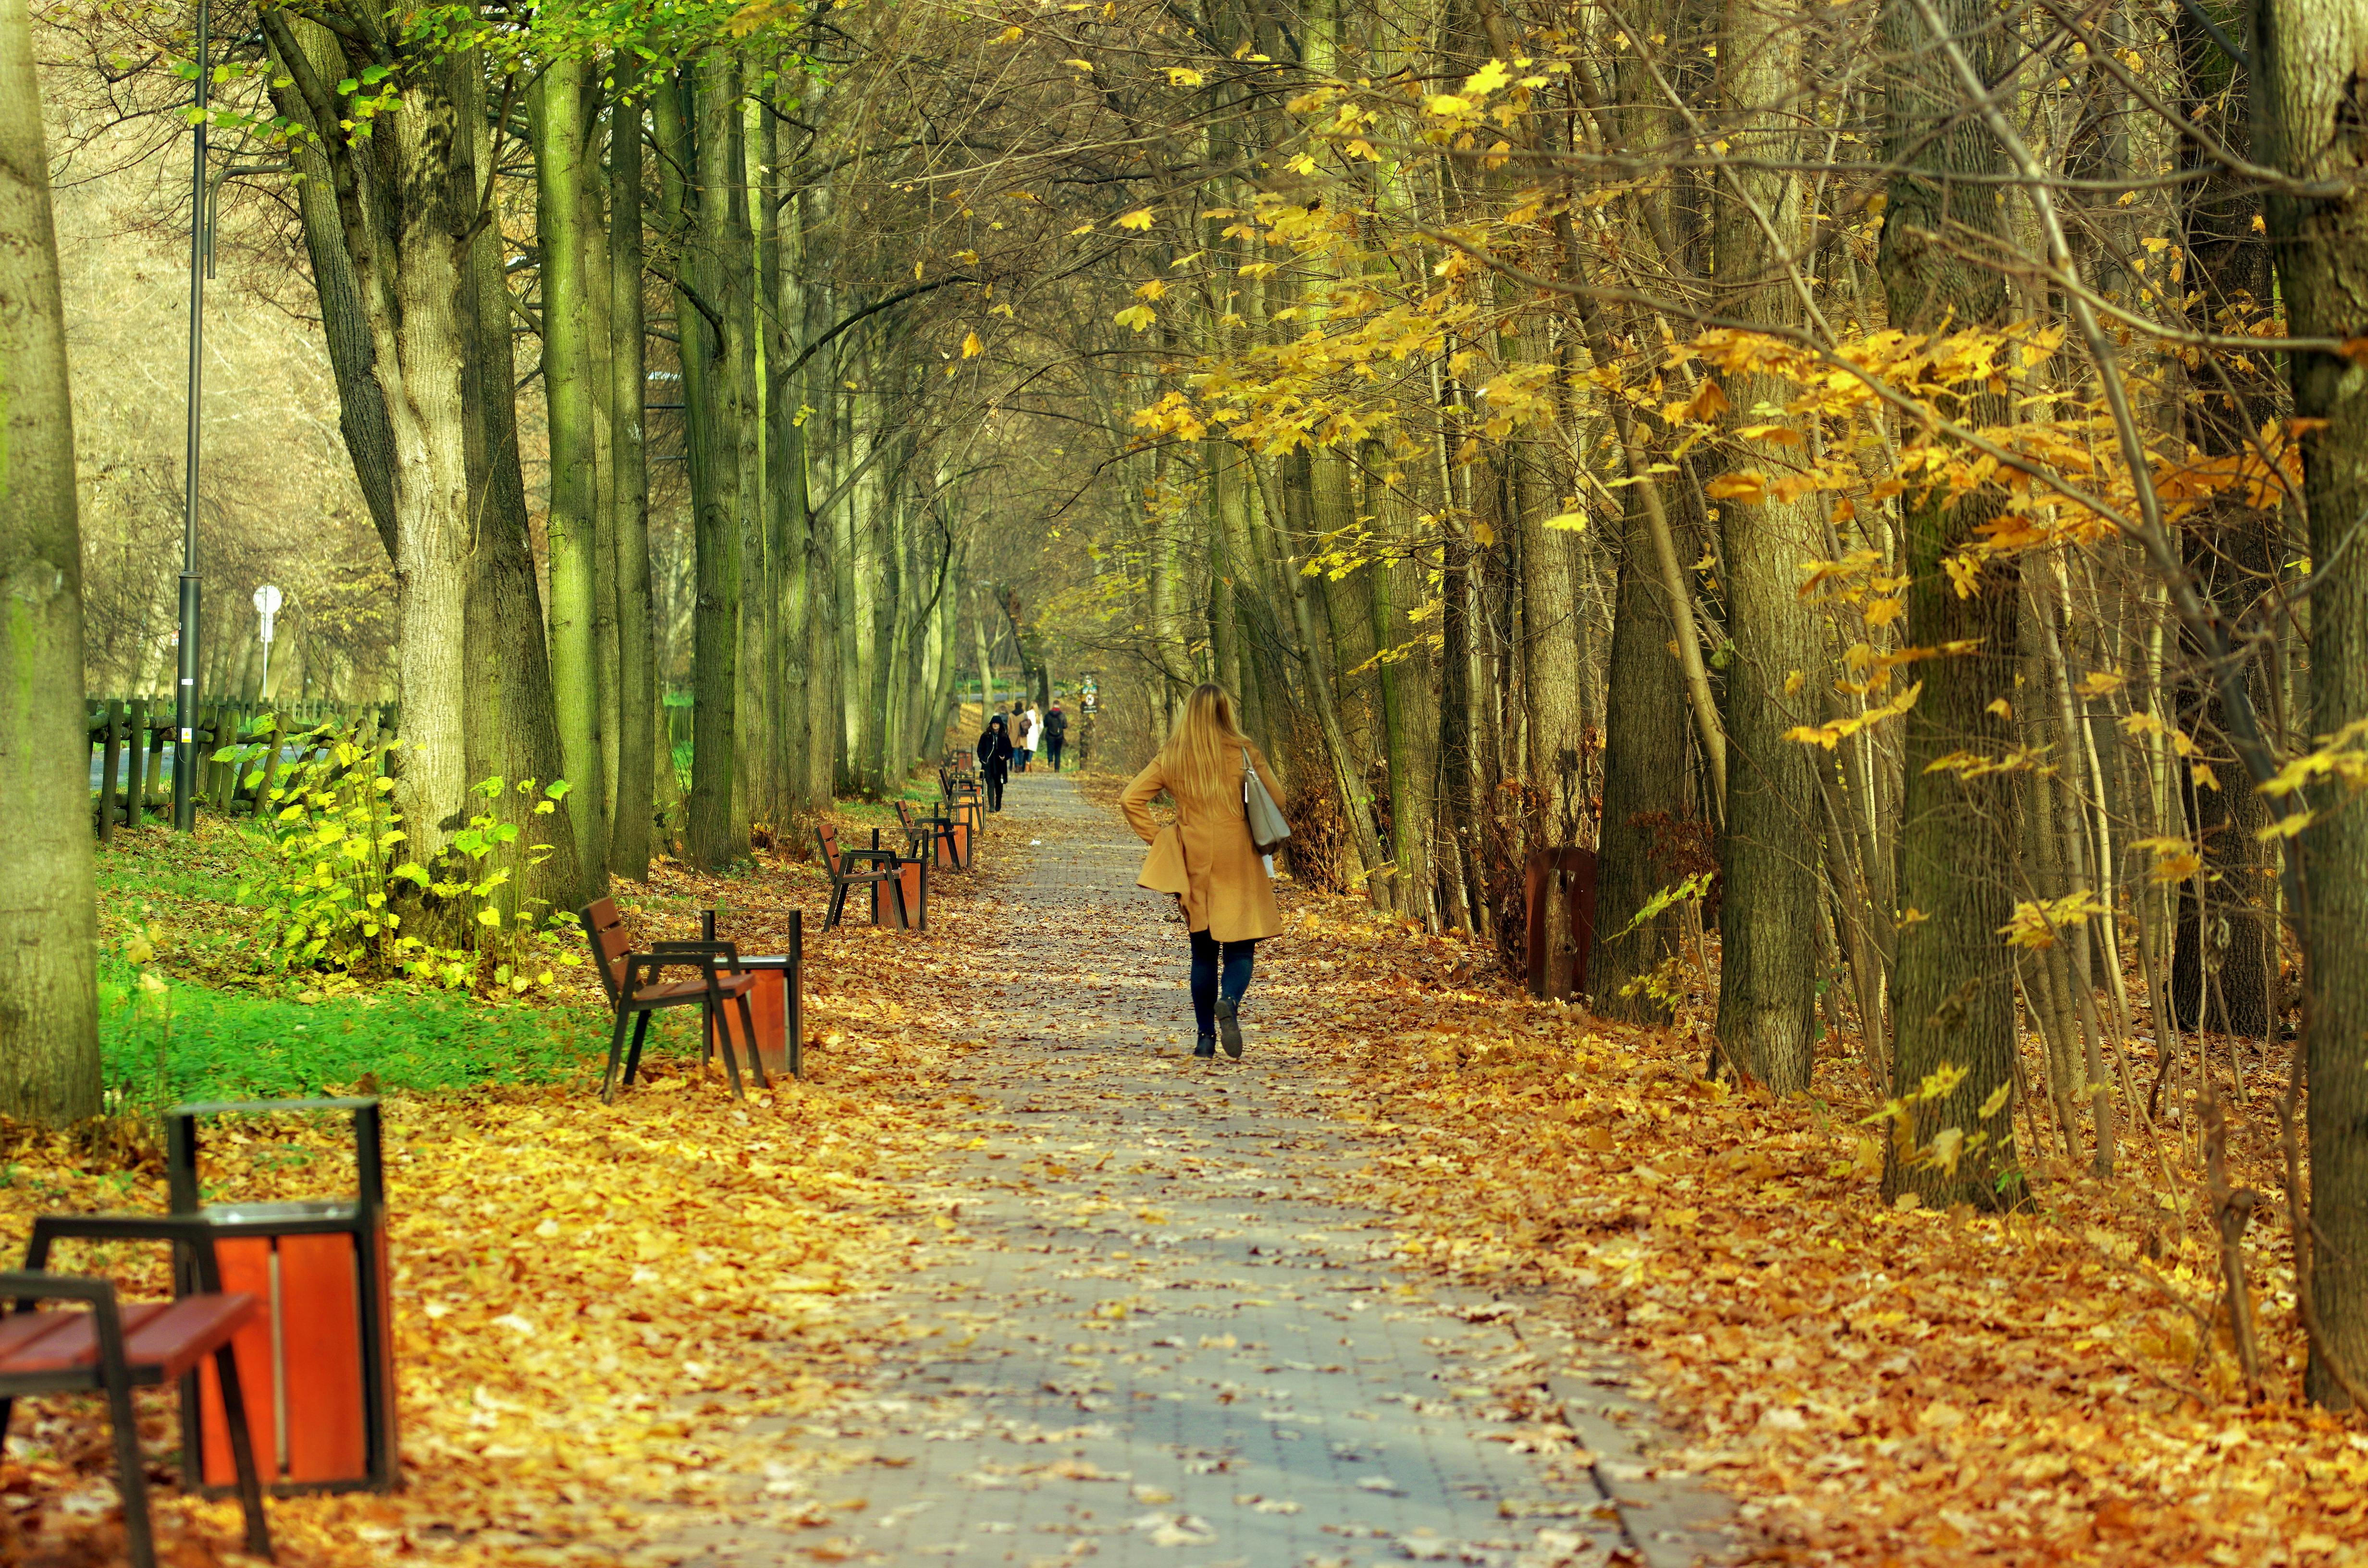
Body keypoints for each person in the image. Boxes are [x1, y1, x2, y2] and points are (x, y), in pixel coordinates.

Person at [1121, 684, 1283, 1059]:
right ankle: (1229, 1000)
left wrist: (1162, 839)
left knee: (1204, 954)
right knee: (1241, 951)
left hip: (1195, 859)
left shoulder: (1173, 756)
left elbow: (1131, 799)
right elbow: (1278, 800)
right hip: (1239, 858)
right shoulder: (1244, 752)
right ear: (1226, 712)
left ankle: (1205, 1040)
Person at [975, 713, 1013, 811]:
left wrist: (1005, 757)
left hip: (1000, 766)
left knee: (999, 786)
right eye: (994, 723)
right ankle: (992, 806)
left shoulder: (1004, 737)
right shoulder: (986, 736)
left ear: (1000, 725)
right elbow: (980, 749)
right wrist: (983, 760)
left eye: (997, 724)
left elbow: (1010, 751)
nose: (995, 725)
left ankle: (998, 803)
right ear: (991, 725)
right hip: (989, 765)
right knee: (990, 784)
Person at [1044, 704, 1068, 772]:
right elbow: (1065, 726)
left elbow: (1045, 724)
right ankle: (1057, 769)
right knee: (1058, 753)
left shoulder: (1048, 715)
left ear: (1053, 707)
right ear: (1059, 707)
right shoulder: (1062, 715)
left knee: (1050, 750)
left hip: (1050, 736)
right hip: (1059, 737)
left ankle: (1050, 760)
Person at [1010, 703, 1032, 772]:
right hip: (1022, 735)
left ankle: (1016, 766)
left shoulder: (1011, 715)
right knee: (1021, 751)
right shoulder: (1025, 715)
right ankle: (1020, 766)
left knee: (1015, 751)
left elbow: (1009, 726)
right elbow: (1028, 724)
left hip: (1013, 735)